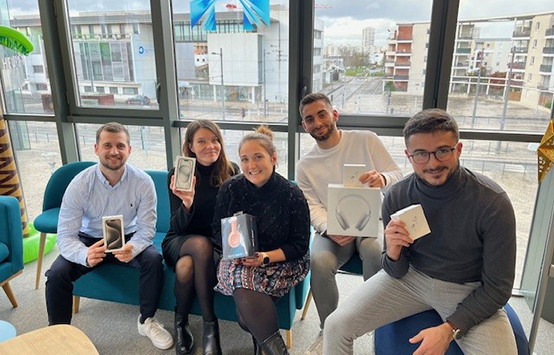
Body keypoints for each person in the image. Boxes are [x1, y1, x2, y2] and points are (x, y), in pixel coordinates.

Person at [324, 109, 518, 355]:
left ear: (458, 149)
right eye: (421, 154)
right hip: (411, 280)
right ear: (409, 156)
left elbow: (498, 288)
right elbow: (395, 271)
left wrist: (449, 329)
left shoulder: (492, 202)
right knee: (335, 326)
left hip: (468, 287)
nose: (433, 163)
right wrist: (393, 254)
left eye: (443, 151)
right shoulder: (397, 195)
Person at [45, 122, 173, 350]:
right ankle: (59, 332)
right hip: (88, 240)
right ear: (96, 149)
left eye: (120, 146)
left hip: (128, 237)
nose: (114, 151)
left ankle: (146, 321)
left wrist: (133, 247)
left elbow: (146, 229)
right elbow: (64, 235)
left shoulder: (143, 182)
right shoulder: (80, 184)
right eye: (107, 145)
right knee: (56, 274)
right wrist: (85, 254)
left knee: (153, 260)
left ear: (129, 150)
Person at [296, 93, 403, 352]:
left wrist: (383, 179)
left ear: (335, 114)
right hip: (334, 227)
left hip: (371, 220)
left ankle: (377, 323)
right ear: (304, 126)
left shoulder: (366, 140)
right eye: (309, 119)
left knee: (375, 250)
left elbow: (399, 176)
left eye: (322, 114)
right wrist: (328, 229)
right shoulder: (305, 165)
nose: (318, 122)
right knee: (319, 260)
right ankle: (329, 327)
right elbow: (311, 207)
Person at [212, 126, 310, 355]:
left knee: (246, 319)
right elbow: (216, 231)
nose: (251, 165)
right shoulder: (230, 189)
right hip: (239, 260)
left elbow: (299, 245)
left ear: (273, 158)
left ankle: (263, 345)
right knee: (243, 275)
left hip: (280, 260)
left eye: (258, 157)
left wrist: (265, 257)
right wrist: (235, 245)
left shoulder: (291, 194)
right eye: (245, 159)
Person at [162, 120, 238, 355]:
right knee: (197, 244)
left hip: (215, 244)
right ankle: (210, 325)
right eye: (202, 141)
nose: (210, 146)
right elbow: (175, 225)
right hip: (179, 239)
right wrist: (187, 202)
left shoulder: (231, 171)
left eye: (215, 140)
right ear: (191, 146)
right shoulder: (179, 174)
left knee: (186, 267)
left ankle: (180, 321)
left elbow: (235, 217)